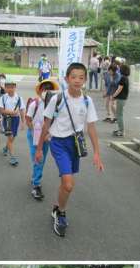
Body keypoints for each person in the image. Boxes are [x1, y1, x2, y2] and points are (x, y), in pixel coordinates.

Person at [35, 62, 104, 238]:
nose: (77, 80)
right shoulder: (57, 99)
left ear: (85, 80)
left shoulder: (87, 101)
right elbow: (46, 125)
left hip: (75, 144)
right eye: (73, 77)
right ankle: (61, 213)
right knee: (68, 184)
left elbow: (91, 128)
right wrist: (39, 149)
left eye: (81, 77)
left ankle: (57, 207)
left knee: (66, 182)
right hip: (58, 143)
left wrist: (97, 153)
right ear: (67, 79)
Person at [26, 79, 59, 200]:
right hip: (34, 135)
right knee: (38, 158)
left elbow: (55, 121)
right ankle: (36, 185)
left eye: (50, 90)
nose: (47, 92)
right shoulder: (35, 104)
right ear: (40, 91)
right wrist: (34, 132)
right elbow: (28, 119)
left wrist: (48, 134)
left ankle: (35, 177)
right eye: (45, 89)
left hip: (47, 136)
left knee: (41, 159)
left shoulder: (55, 105)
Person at [0, 81, 26, 166]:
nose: (10, 89)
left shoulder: (19, 98)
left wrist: (23, 122)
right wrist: (12, 112)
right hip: (7, 119)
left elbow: (22, 110)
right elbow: (1, 111)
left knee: (12, 138)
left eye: (12, 87)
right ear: (5, 88)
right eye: (8, 87)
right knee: (10, 137)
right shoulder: (3, 98)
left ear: (15, 87)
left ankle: (6, 148)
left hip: (16, 119)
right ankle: (12, 157)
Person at [111, 64, 130, 138]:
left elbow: (119, 89)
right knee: (119, 114)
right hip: (123, 98)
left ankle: (121, 131)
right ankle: (120, 129)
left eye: (120, 68)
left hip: (121, 98)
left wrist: (114, 96)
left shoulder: (123, 78)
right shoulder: (126, 78)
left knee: (119, 115)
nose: (119, 70)